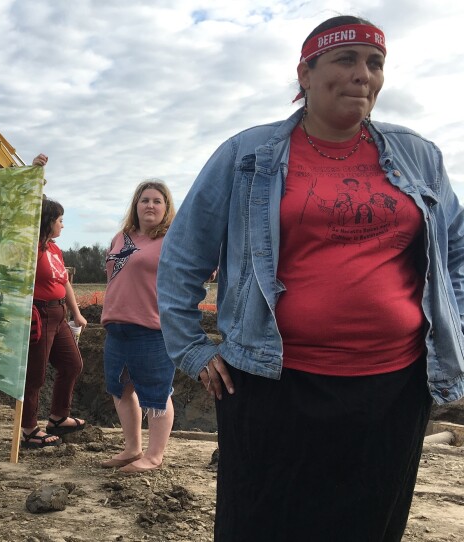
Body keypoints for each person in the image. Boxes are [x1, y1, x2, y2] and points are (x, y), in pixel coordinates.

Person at [157, 15, 464, 541]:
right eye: (345, 60)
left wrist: (453, 328)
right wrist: (191, 348)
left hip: (392, 386)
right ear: (305, 73)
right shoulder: (246, 155)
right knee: (262, 524)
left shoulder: (418, 156)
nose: (362, 75)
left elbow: (455, 251)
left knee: (368, 524)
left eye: (374, 63)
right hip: (273, 384)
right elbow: (183, 257)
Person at [100, 180, 176, 473]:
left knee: (156, 394)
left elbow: (203, 270)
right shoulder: (121, 237)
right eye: (144, 200)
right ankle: (132, 448)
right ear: (136, 205)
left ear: (166, 208)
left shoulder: (172, 239)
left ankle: (154, 456)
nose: (150, 205)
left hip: (152, 328)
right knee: (120, 390)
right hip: (116, 327)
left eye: (157, 201)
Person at [21, 174, 88, 448]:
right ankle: (27, 429)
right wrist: (34, 175)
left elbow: (65, 282)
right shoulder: (30, 249)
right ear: (48, 221)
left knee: (72, 364)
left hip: (59, 314)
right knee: (35, 375)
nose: (62, 224)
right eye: (59, 219)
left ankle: (59, 417)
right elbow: (26, 209)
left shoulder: (55, 250)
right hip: (40, 315)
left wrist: (76, 313)